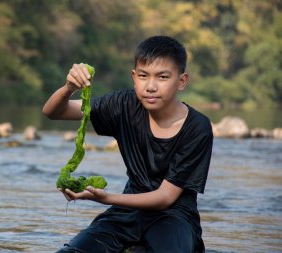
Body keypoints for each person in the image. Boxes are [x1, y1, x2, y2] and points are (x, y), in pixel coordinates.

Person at [42, 35, 213, 253]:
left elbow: (165, 197)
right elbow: (53, 112)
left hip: (174, 216)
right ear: (134, 77)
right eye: (143, 76)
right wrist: (68, 87)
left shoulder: (197, 127)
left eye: (162, 77)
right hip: (125, 213)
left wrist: (106, 198)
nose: (150, 86)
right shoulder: (123, 105)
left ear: (181, 81)